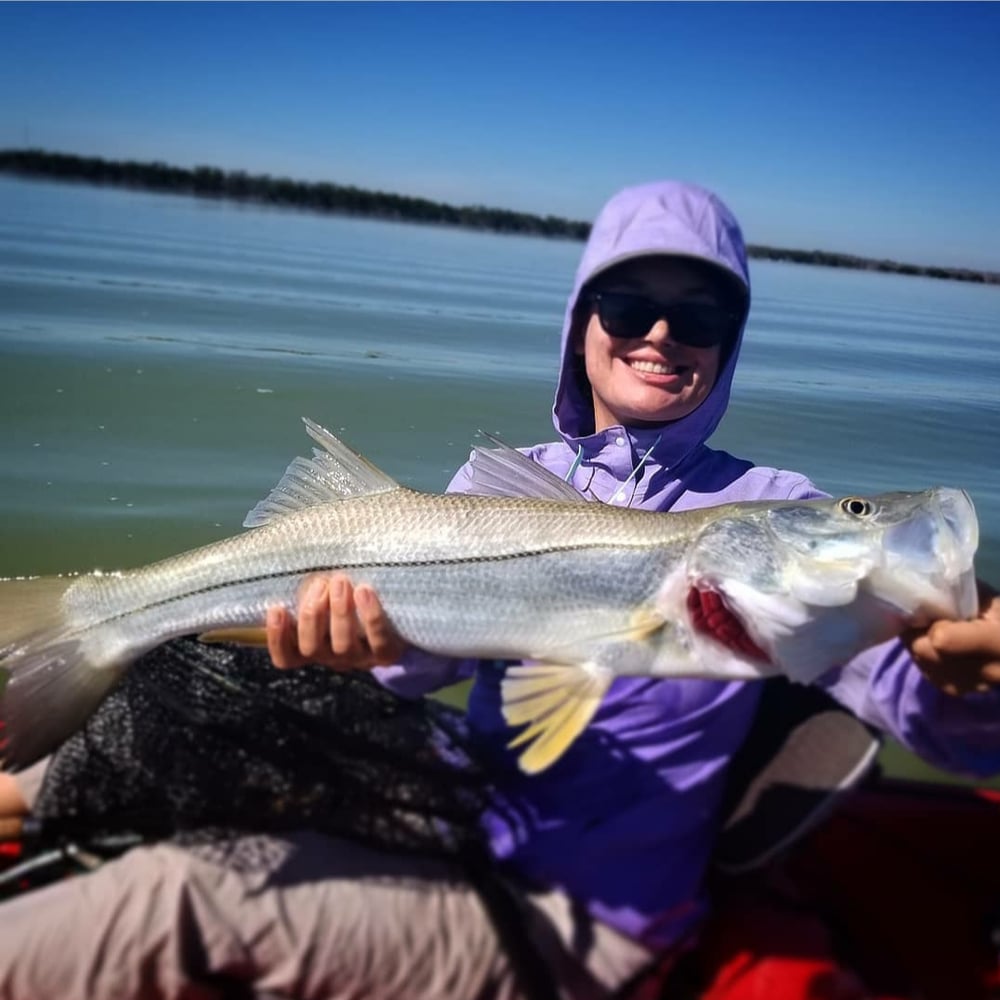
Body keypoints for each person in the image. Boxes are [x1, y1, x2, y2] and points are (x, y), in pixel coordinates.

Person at [1, 180, 999, 1000]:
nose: (659, 332)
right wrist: (359, 650)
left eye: (698, 312)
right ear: (580, 323)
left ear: (729, 336)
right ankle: (54, 708)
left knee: (172, 897)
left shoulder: (778, 513)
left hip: (574, 914)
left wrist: (968, 673)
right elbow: (411, 669)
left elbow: (929, 712)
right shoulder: (498, 481)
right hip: (447, 809)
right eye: (625, 304)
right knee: (79, 768)